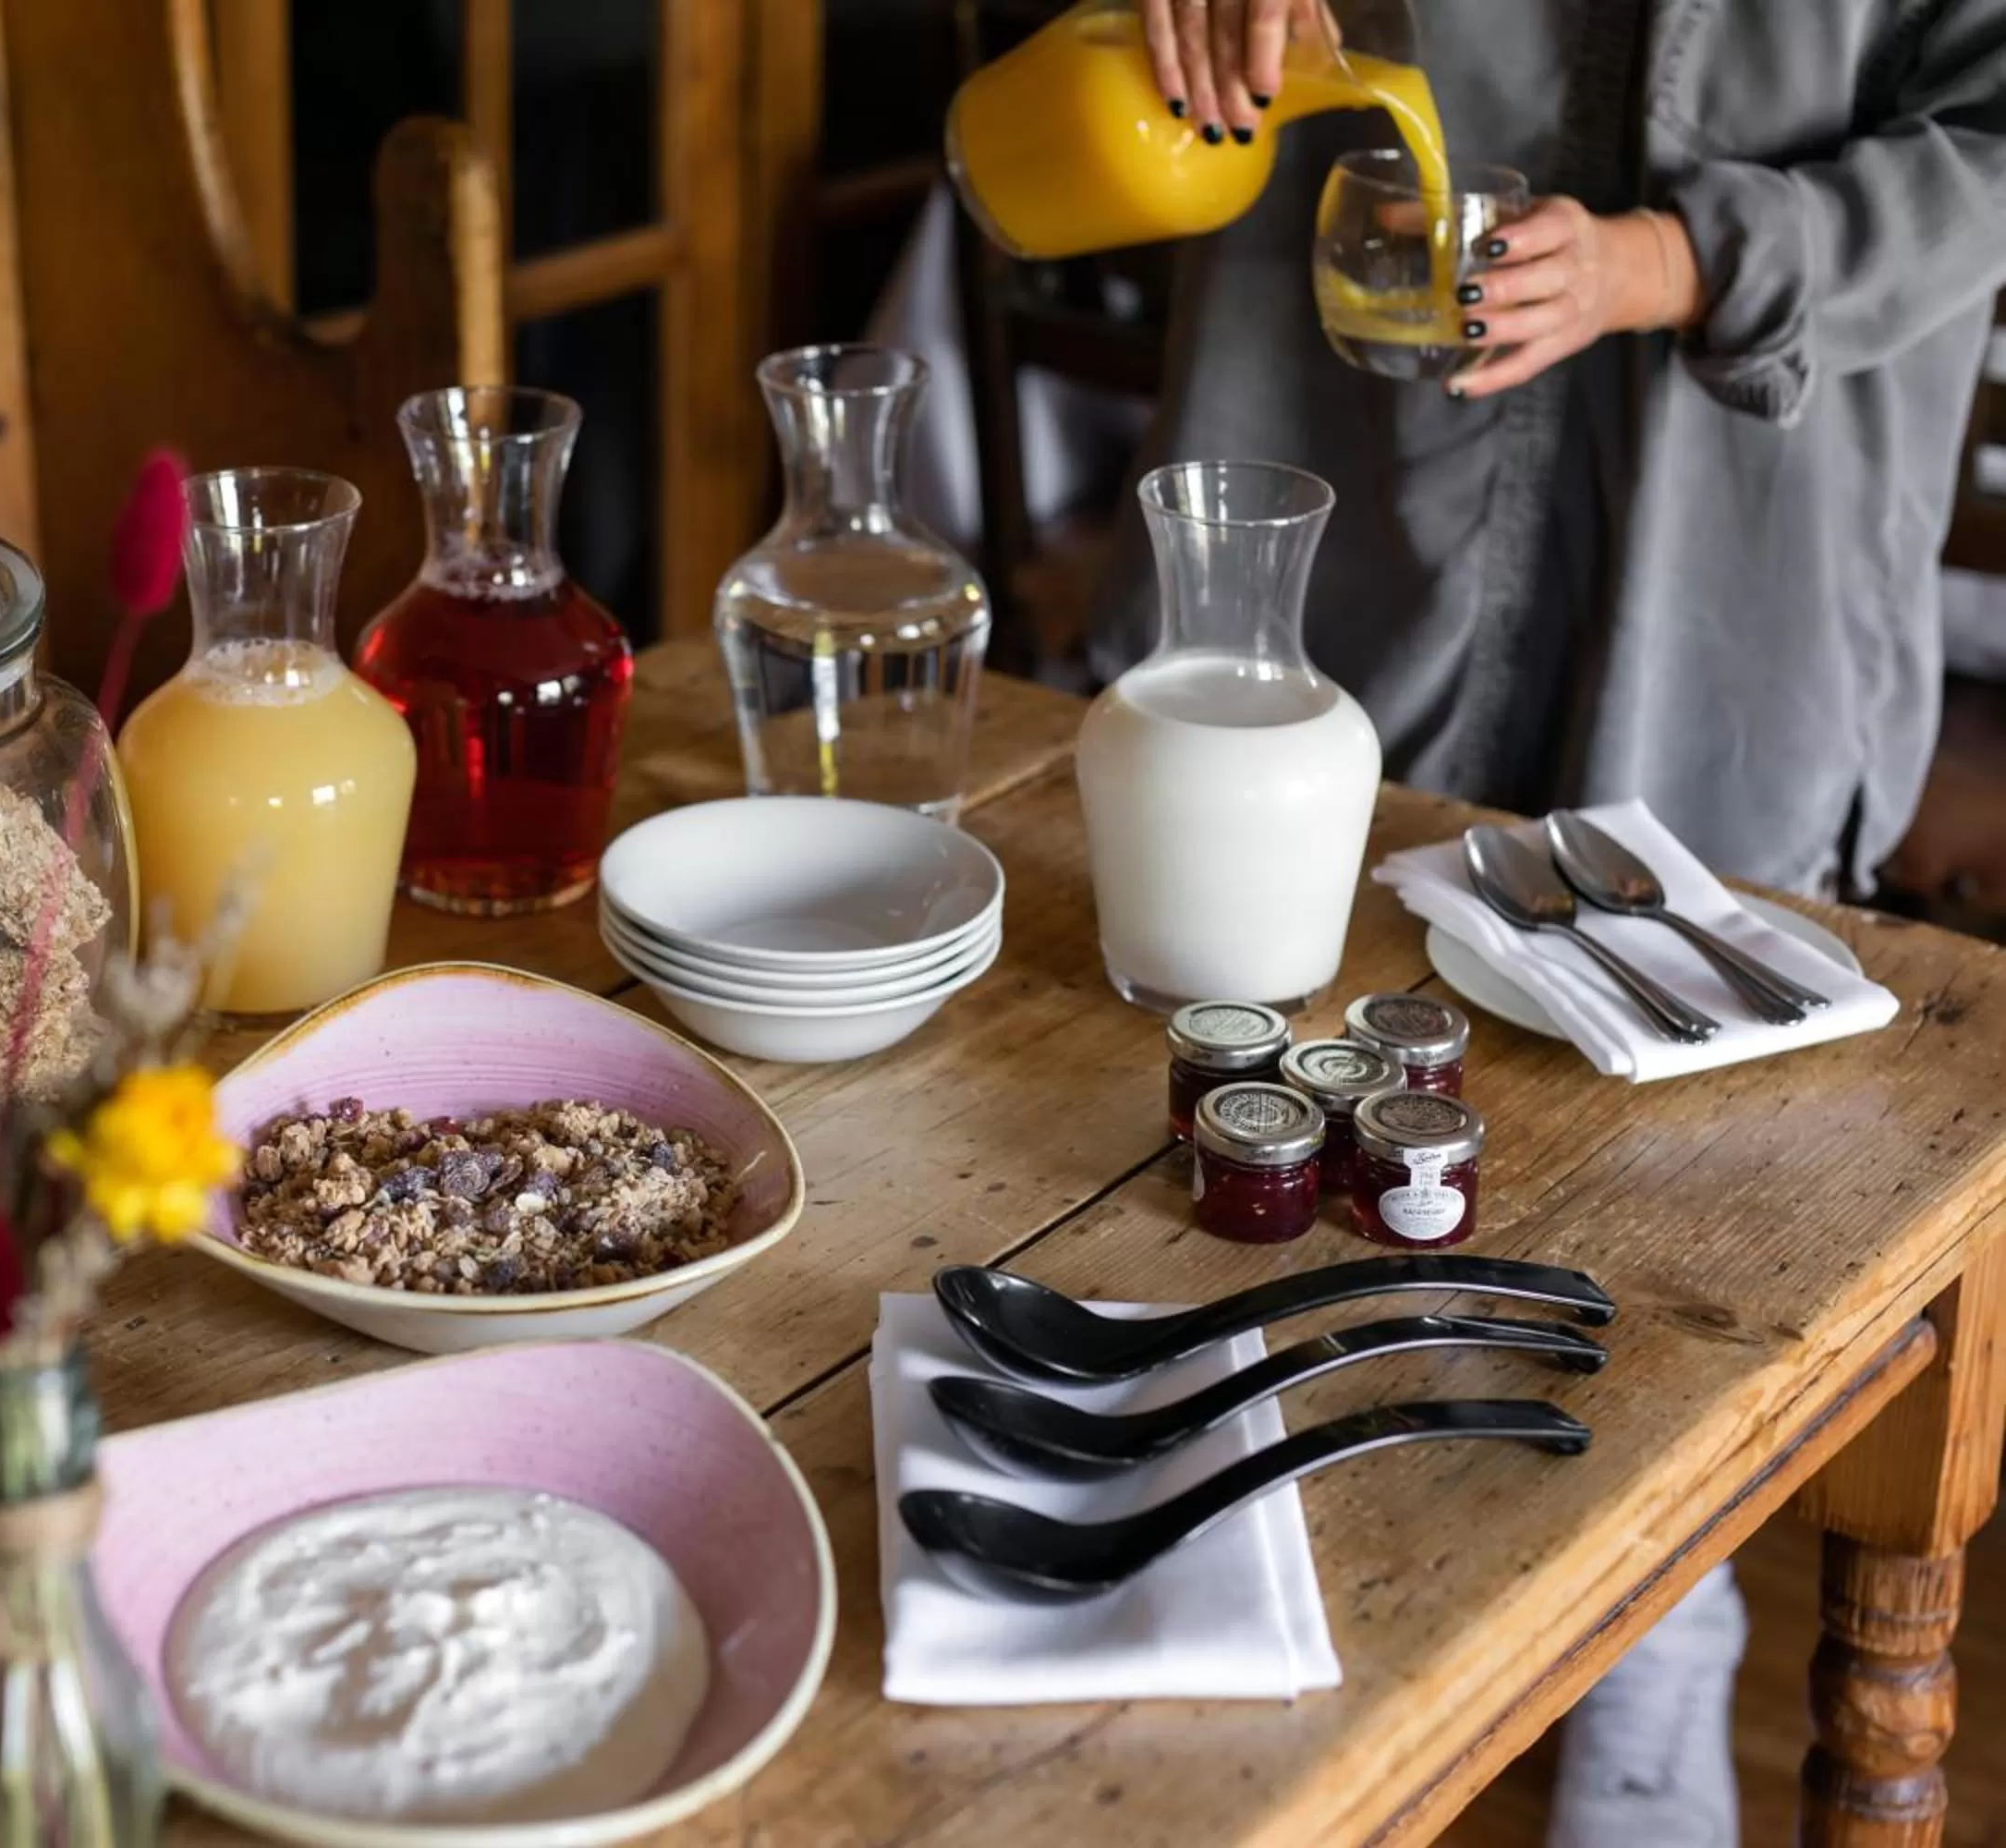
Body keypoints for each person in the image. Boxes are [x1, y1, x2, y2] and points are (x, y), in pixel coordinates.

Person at [924, 2, 2004, 1841]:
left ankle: (1661, 1633)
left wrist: (1684, 261)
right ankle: (1283, 1603)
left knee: (1681, 1144)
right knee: (1266, 1063)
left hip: (1747, 525)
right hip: (1343, 464)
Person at [1070, 0, 2006, 902]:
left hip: (1741, 502)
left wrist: (1674, 264)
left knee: (1665, 939)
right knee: (1238, 864)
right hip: (1332, 421)